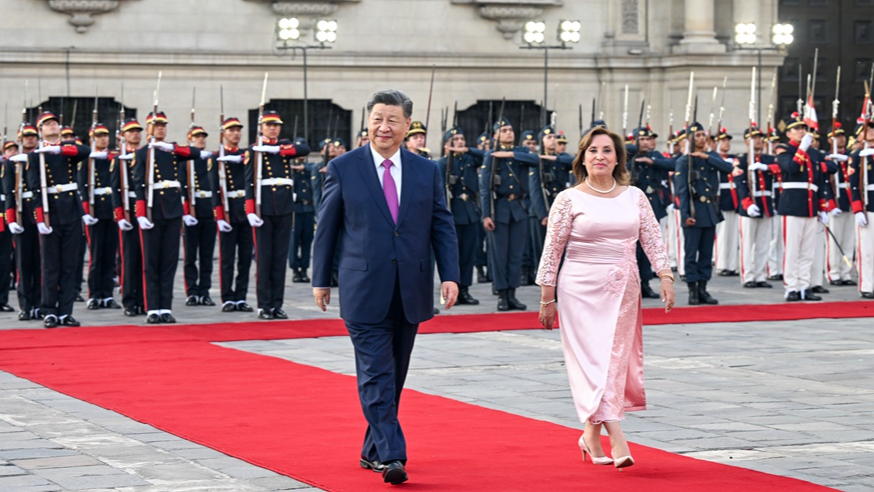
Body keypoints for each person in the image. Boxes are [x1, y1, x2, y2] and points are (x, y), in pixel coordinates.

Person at [312, 89, 460, 486]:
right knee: (376, 374)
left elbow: (441, 224)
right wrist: (320, 278)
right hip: (363, 286)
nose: (384, 127)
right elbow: (327, 227)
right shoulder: (344, 167)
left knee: (393, 374)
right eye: (377, 118)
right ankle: (391, 455)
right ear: (368, 121)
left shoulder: (426, 170)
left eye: (392, 120)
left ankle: (370, 448)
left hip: (410, 287)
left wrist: (450, 274)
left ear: (406, 125)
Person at [536, 126, 674, 469]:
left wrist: (665, 276)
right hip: (578, 289)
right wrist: (546, 297)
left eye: (607, 151)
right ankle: (617, 436)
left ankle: (590, 435)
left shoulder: (635, 196)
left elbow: (652, 239)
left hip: (623, 287)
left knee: (612, 360)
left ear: (617, 159)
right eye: (593, 150)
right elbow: (553, 249)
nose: (600, 156)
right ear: (582, 157)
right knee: (592, 363)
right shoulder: (568, 198)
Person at [24, 112, 93, 327]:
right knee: (50, 265)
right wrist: (39, 218)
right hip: (50, 212)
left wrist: (60, 149)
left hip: (71, 211)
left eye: (54, 123)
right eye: (47, 124)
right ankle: (49, 310)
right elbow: (34, 188)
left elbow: (86, 151)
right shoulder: (35, 156)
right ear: (40, 130)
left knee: (69, 264)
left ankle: (66, 311)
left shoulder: (68, 149)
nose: (52, 126)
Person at [133, 111, 202, 323]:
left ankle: (166, 307)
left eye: (163, 125)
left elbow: (195, 153)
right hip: (153, 211)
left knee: (169, 261)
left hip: (172, 211)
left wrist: (171, 147)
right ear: (149, 129)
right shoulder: (143, 153)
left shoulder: (173, 150)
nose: (161, 128)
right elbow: (138, 184)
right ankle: (153, 308)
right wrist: (141, 213)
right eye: (157, 125)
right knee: (152, 262)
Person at [480, 119, 540, 310]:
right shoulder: (491, 156)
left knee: (515, 254)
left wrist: (510, 154)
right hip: (499, 209)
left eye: (510, 129)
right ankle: (502, 295)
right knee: (500, 256)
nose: (509, 133)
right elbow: (484, 188)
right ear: (496, 135)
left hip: (518, 209)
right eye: (504, 130)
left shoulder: (521, 153)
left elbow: (536, 160)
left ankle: (513, 294)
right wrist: (486, 214)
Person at [674, 123, 735, 304]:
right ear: (690, 139)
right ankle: (692, 289)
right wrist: (685, 215)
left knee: (707, 253)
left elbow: (728, 168)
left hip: (709, 211)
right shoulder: (683, 161)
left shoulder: (711, 157)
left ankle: (703, 288)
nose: (701, 138)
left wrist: (706, 157)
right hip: (694, 211)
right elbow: (682, 191)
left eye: (703, 135)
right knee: (691, 253)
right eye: (697, 135)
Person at [777, 113, 830, 301]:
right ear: (789, 133)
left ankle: (804, 286)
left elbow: (819, 182)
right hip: (792, 205)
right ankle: (791, 287)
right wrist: (803, 148)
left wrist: (822, 207)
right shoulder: (783, 150)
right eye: (797, 129)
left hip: (810, 206)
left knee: (808, 251)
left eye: (803, 128)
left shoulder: (814, 154)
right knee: (792, 250)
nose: (801, 131)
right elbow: (791, 168)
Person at [213, 117, 254, 312]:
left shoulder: (246, 155)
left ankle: (241, 296)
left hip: (245, 210)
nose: (235, 134)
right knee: (227, 258)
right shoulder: (217, 157)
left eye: (238, 130)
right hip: (228, 210)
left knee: (245, 257)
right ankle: (227, 297)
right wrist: (219, 216)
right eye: (231, 131)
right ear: (224, 134)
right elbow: (214, 189)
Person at [79, 123, 122, 310]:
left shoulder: (111, 158)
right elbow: (82, 187)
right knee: (96, 256)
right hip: (96, 210)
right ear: (92, 138)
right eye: (99, 136)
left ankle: (107, 295)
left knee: (110, 255)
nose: (103, 139)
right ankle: (94, 294)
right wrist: (86, 211)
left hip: (110, 209)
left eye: (105, 135)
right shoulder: (87, 160)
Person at [111, 118, 144, 317]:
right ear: (123, 136)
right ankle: (129, 301)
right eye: (131, 132)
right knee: (129, 258)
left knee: (144, 258)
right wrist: (119, 215)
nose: (135, 134)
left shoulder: (145, 155)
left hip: (144, 210)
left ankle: (143, 299)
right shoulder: (118, 159)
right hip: (128, 209)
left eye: (138, 131)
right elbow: (115, 189)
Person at [183, 125, 217, 307]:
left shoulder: (210, 158)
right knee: (190, 256)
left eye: (203, 137)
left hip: (208, 209)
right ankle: (191, 291)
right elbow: (182, 187)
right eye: (197, 137)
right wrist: (186, 212)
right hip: (193, 209)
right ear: (190, 139)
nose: (201, 140)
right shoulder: (186, 160)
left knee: (206, 255)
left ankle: (204, 291)